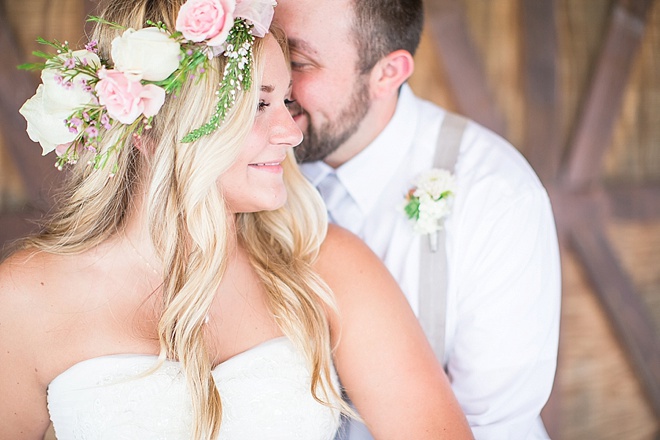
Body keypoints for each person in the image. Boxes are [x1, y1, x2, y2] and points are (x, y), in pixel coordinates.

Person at [0, 0, 474, 439]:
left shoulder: (326, 265)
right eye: (258, 105)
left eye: (286, 100)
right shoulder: (24, 298)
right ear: (152, 125)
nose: (291, 132)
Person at [274, 0, 562, 439]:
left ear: (387, 74)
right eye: (268, 51)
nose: (275, 80)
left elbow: (489, 424)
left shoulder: (496, 197)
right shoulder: (251, 166)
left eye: (297, 62)